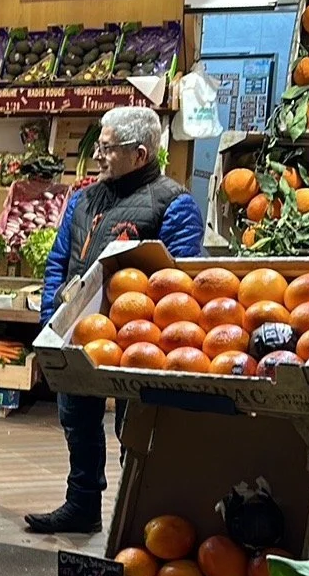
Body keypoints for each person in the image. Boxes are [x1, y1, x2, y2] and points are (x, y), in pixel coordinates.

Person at [25, 106, 202, 535]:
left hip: (137, 339)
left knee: (136, 427)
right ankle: (82, 504)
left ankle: (136, 512)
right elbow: (59, 264)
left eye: (107, 148)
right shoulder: (84, 199)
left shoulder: (175, 204)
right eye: (99, 145)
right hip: (80, 334)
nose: (99, 155)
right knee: (77, 420)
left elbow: (181, 283)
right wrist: (52, 323)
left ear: (139, 154)